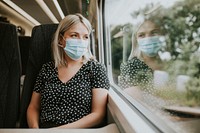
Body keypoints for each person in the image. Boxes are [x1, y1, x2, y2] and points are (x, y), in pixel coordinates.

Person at [27, 13, 110, 128]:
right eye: (74, 35)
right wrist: (36, 131)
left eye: (85, 37)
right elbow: (33, 107)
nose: (81, 41)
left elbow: (98, 114)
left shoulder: (96, 69)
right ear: (61, 39)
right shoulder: (47, 69)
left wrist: (58, 131)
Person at [118, 18, 165, 97]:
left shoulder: (167, 63)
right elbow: (134, 100)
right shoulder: (131, 66)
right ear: (136, 40)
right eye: (141, 35)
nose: (148, 38)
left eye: (154, 33)